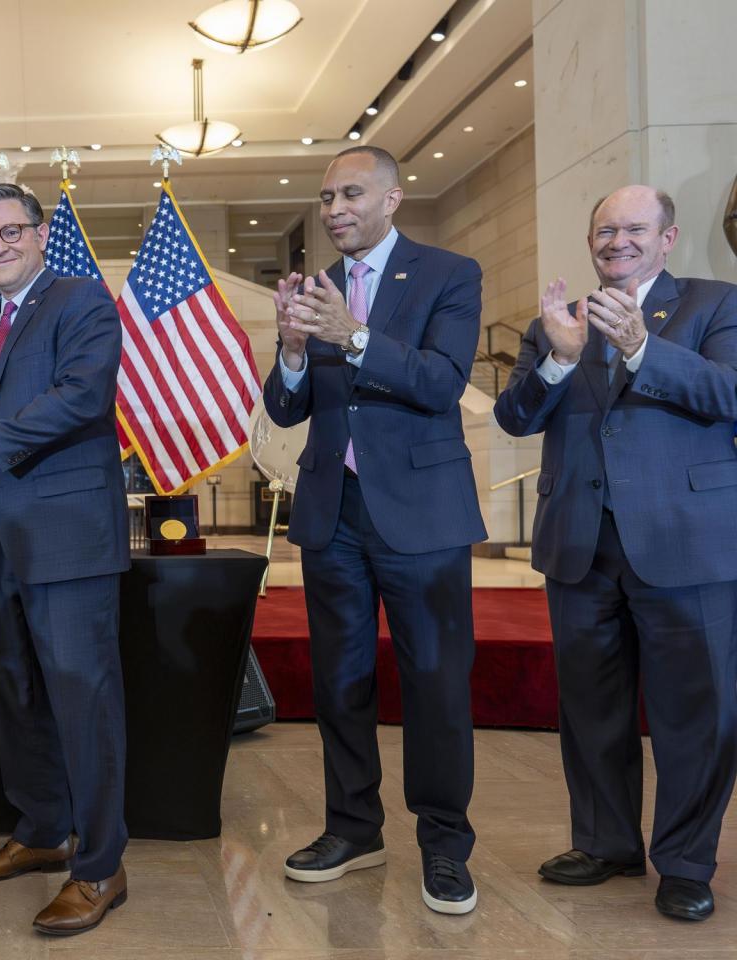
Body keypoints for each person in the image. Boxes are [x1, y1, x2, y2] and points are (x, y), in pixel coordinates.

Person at [494, 185, 737, 921]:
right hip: (580, 546)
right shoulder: (559, 323)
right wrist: (560, 362)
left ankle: (686, 863)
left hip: (685, 545)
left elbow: (729, 393)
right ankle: (605, 844)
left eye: (635, 228)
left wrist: (639, 347)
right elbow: (512, 416)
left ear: (668, 238)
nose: (616, 241)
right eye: (604, 230)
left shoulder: (714, 303)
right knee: (592, 710)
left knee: (696, 712)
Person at [263, 145, 486, 914]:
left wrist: (351, 334)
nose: (334, 211)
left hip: (421, 515)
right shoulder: (318, 288)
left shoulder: (448, 275)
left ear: (393, 199)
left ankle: (445, 845)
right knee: (341, 683)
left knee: (435, 683)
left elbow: (440, 381)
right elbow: (289, 408)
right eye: (326, 199)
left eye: (350, 194)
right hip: (333, 515)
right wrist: (293, 351)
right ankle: (354, 829)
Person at [0, 183, 130, 936]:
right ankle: (43, 831)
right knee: (19, 694)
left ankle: (101, 865)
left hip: (72, 538)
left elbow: (82, 394)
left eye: (13, 231)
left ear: (42, 235)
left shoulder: (80, 301)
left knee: (84, 700)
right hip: (5, 539)